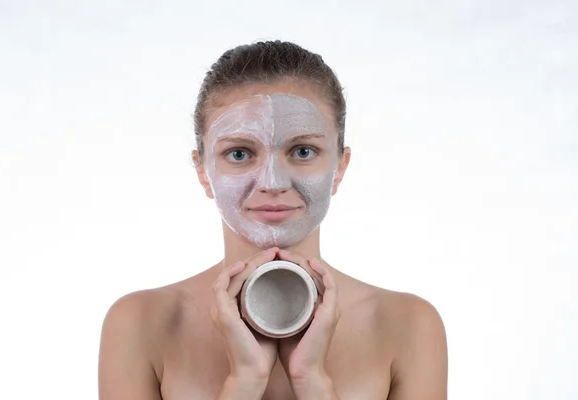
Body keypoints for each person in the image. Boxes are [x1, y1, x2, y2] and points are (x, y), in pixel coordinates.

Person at [98, 40, 448, 400]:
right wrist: (245, 382)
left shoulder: (408, 326)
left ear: (339, 168)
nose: (273, 182)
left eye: (302, 151)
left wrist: (311, 381)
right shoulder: (140, 324)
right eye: (239, 153)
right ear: (203, 171)